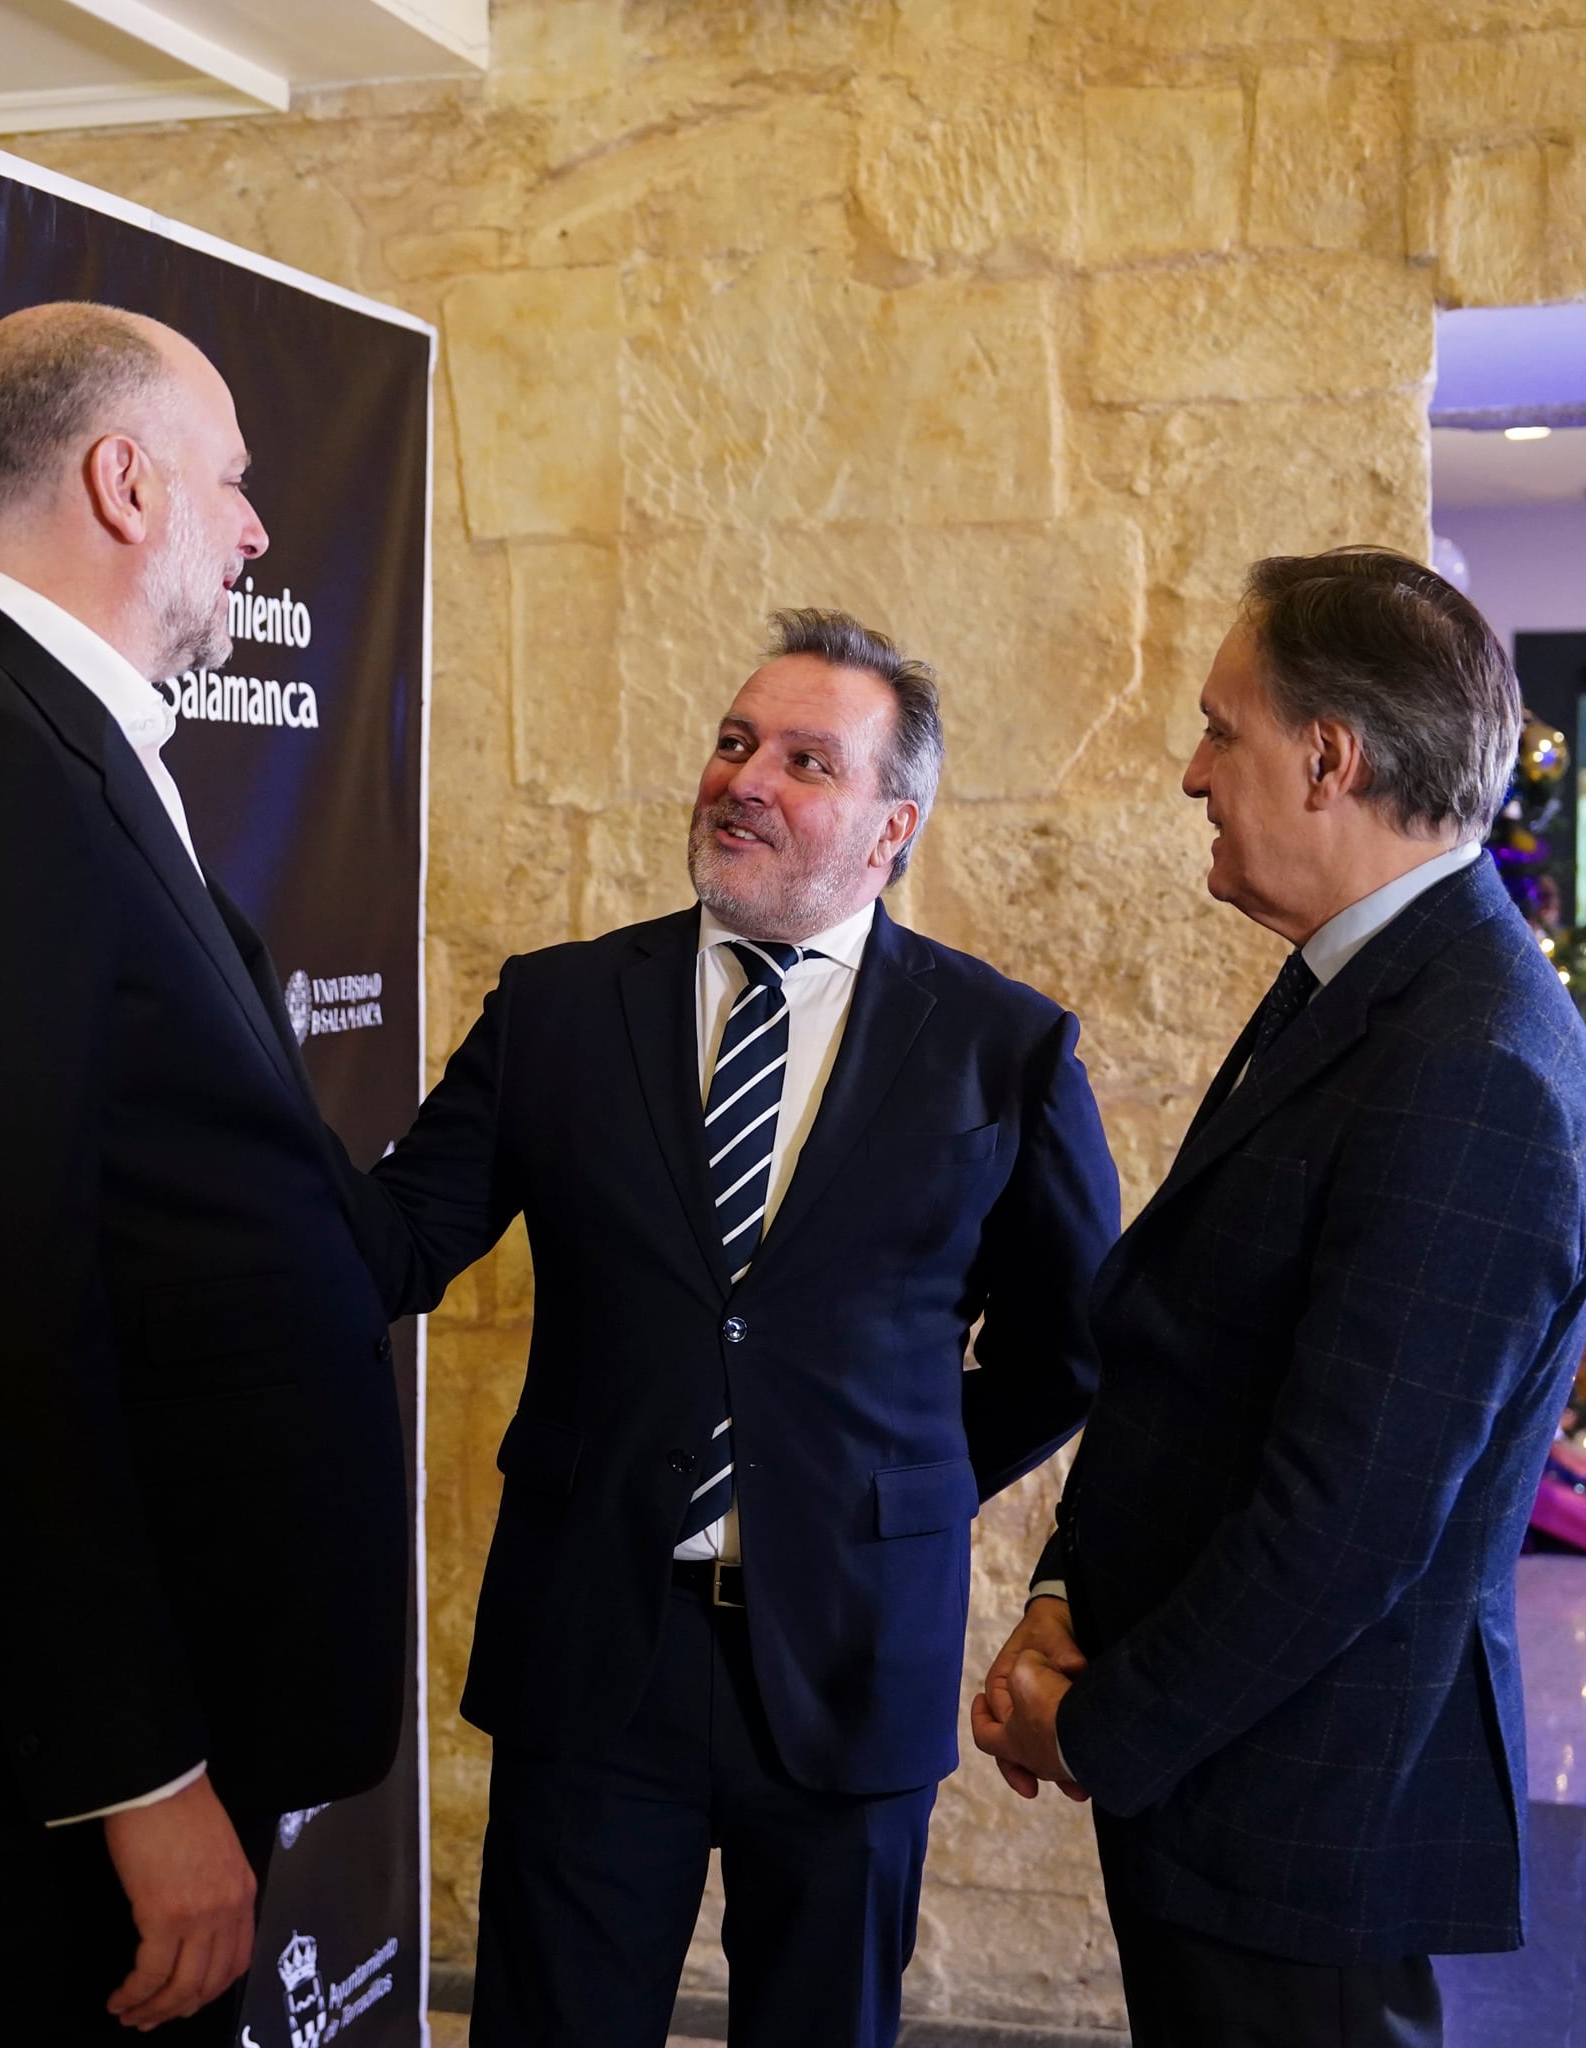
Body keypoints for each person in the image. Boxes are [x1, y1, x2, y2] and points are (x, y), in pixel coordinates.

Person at [0, 304, 409, 2042]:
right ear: (123, 482)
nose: (258, 528)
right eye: (231, 480)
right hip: (15, 1771)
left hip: (95, 1718)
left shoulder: (45, 739)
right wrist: (134, 1773)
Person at [351, 610, 1119, 2048]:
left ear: (892, 830)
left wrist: (894, 1484)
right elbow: (391, 1244)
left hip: (849, 1657)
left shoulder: (1002, 1047)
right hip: (595, 1649)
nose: (746, 778)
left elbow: (1071, 1343)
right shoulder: (559, 1008)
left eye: (806, 760)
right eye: (733, 742)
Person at [971, 549, 1586, 2048]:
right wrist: (1066, 1596)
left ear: (1328, 758)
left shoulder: (1475, 1068)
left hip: (1305, 1816)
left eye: (1219, 728)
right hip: (1232, 1784)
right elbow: (1185, 1353)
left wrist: (1094, 1728)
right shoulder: (1362, 983)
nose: (1195, 773)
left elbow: (1346, 1524)